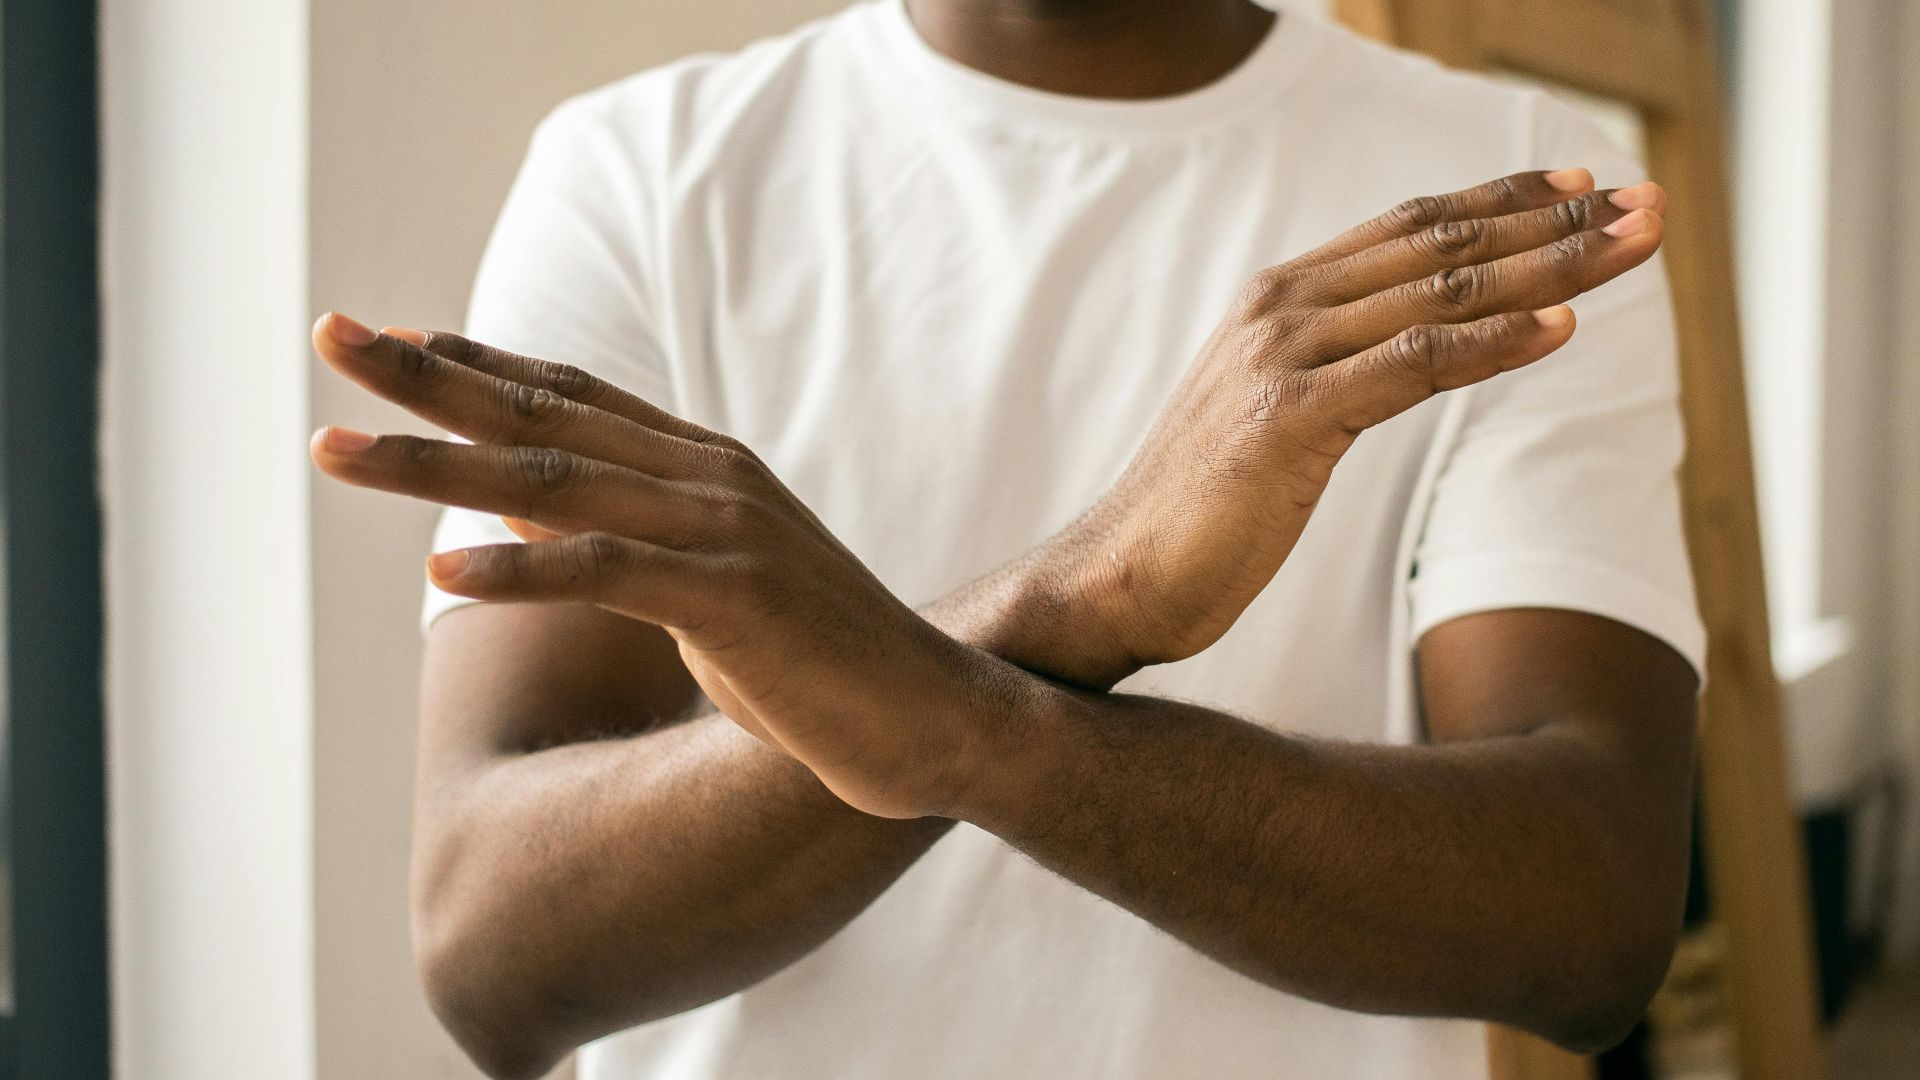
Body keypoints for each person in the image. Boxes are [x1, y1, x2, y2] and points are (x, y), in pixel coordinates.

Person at [308, 1, 1705, 1077]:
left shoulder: (1514, 204)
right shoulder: (638, 172)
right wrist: (1068, 606)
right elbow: (493, 949)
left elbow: (1591, 912)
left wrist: (962, 719)